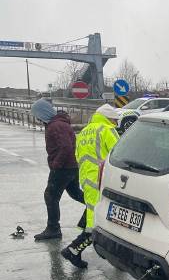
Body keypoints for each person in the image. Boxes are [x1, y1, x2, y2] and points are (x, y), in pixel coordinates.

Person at [61, 103, 120, 269]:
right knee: (95, 222)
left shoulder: (84, 131)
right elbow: (119, 153)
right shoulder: (106, 130)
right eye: (114, 120)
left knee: (93, 213)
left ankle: (75, 250)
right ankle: (73, 249)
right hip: (103, 180)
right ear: (109, 118)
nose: (116, 124)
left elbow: (78, 155)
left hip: (87, 179)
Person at [31, 98, 85, 240]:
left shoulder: (56, 126)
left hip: (63, 168)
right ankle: (98, 207)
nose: (37, 118)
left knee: (50, 196)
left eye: (37, 115)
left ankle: (53, 228)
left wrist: (56, 164)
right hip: (71, 166)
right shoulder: (59, 123)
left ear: (42, 113)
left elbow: (66, 147)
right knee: (75, 193)